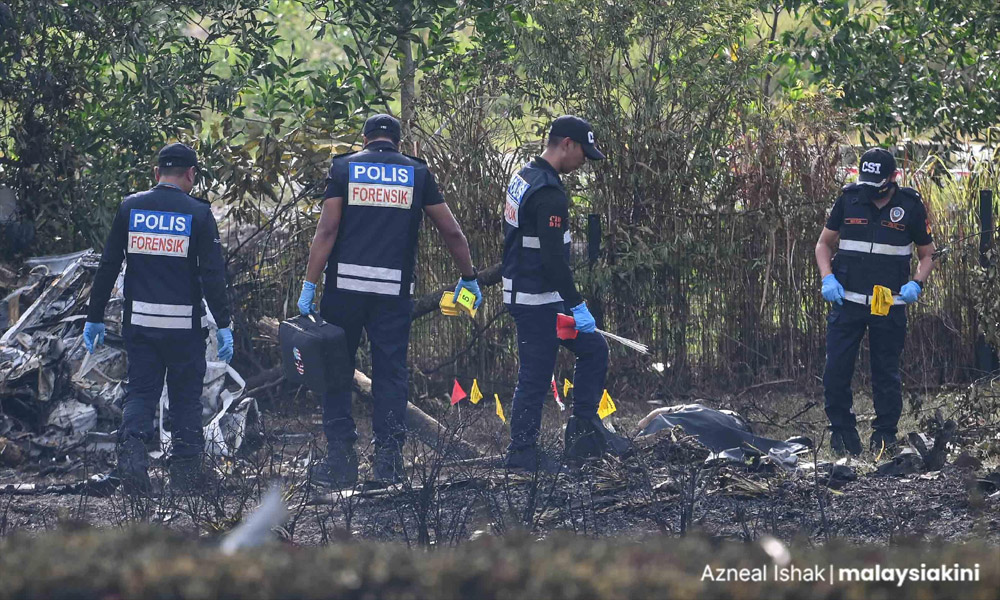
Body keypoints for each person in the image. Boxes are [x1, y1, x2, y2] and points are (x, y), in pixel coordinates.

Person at [298, 114, 480, 488]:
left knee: (336, 372)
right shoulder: (417, 174)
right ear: (397, 142)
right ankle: (388, 463)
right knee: (390, 375)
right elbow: (452, 231)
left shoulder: (344, 169)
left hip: (343, 292)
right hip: (392, 294)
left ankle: (340, 461)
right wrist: (469, 277)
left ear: (365, 139)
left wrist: (309, 284)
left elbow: (327, 229)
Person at [84, 142, 234, 494]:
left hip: (141, 325)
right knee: (184, 400)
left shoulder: (131, 207)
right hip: (183, 329)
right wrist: (224, 325)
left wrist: (94, 317)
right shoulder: (197, 214)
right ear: (191, 175)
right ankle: (186, 478)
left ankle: (133, 465)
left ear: (156, 174)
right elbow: (212, 274)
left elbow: (108, 266)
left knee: (140, 394)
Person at [502, 115, 629, 471]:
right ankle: (522, 453)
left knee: (593, 348)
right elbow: (552, 259)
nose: (585, 161)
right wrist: (577, 304)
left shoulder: (525, 175)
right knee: (536, 375)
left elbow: (537, 241)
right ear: (566, 145)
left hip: (537, 293)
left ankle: (584, 435)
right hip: (535, 299)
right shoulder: (549, 193)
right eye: (584, 153)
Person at [815, 148, 935, 456]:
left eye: (877, 183)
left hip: (889, 304)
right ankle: (842, 432)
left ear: (893, 178)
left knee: (885, 371)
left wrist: (916, 283)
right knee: (836, 370)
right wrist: (827, 277)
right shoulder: (849, 198)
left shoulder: (910, 206)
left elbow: (926, 254)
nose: (871, 190)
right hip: (848, 301)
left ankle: (884, 435)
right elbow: (823, 244)